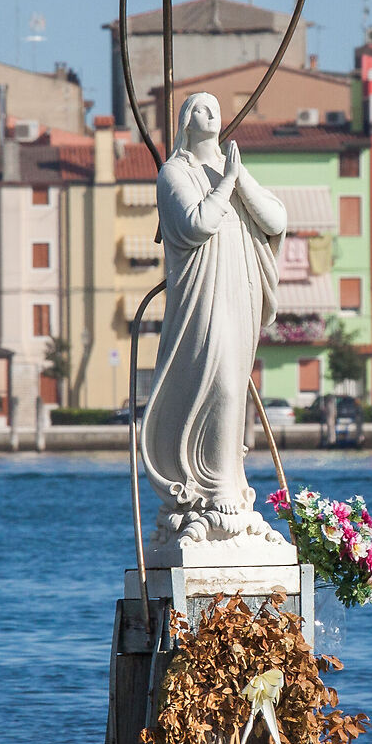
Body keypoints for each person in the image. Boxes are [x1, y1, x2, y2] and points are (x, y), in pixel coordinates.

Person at [139, 92, 289, 549]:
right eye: (199, 108)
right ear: (186, 120)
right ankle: (210, 491)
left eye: (215, 106)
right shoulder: (175, 173)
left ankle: (228, 482)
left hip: (237, 290)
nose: (211, 112)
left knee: (234, 385)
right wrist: (225, 184)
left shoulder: (233, 166)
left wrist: (237, 178)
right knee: (219, 381)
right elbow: (193, 224)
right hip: (202, 297)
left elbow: (276, 218)